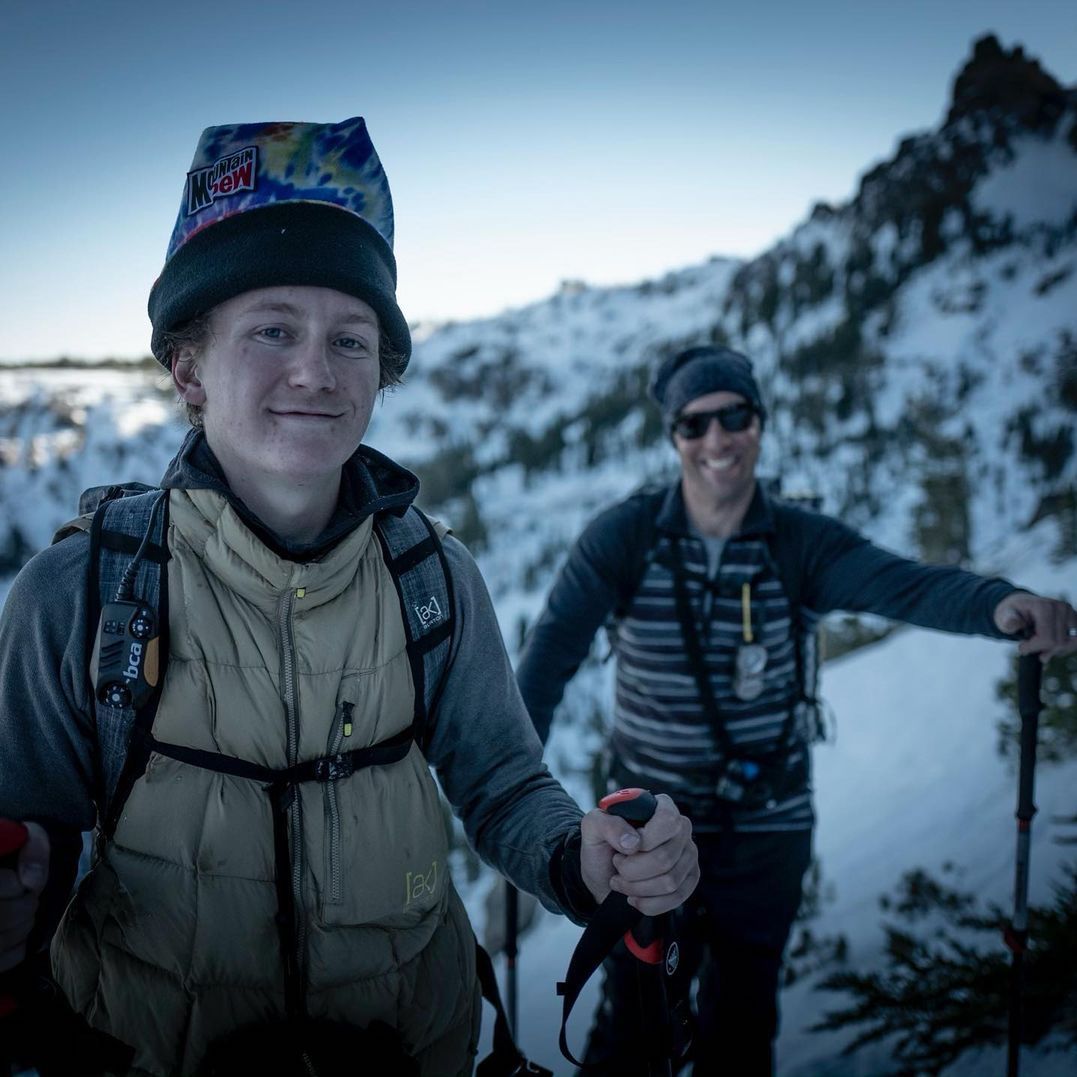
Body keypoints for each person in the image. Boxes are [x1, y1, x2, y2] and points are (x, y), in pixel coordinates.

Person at [0, 118, 699, 1077]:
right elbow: (30, 838)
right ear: (189, 368)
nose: (316, 372)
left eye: (351, 339)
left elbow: (501, 785)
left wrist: (586, 857)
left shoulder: (430, 577)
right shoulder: (86, 591)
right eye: (273, 329)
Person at [516, 344, 1077, 1076]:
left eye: (734, 416)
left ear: (759, 422)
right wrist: (517, 792)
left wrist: (1000, 605)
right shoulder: (624, 539)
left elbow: (902, 585)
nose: (717, 439)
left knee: (741, 1024)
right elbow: (549, 658)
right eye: (694, 424)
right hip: (647, 828)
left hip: (766, 825)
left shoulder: (798, 543)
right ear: (673, 436)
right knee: (635, 1022)